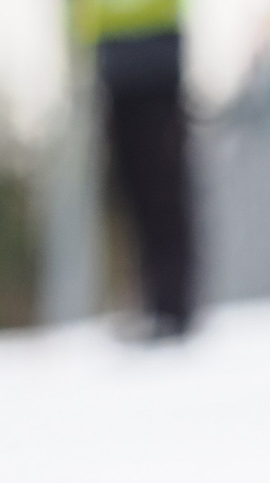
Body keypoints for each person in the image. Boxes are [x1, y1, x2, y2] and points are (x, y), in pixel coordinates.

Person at [77, 0, 197, 339]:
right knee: (132, 193)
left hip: (156, 54)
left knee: (164, 188)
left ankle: (174, 305)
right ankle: (151, 302)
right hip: (111, 61)